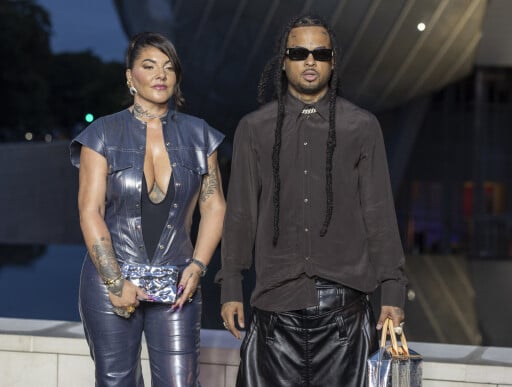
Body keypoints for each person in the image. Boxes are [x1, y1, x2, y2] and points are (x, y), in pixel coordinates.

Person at [216, 15, 407, 387]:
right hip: (275, 311)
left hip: (345, 317)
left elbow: (379, 214)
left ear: (332, 62)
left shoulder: (362, 126)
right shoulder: (254, 128)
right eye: (299, 52)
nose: (309, 61)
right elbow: (241, 215)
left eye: (320, 53)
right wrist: (230, 288)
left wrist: (393, 291)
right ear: (283, 61)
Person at [69, 32, 226, 386]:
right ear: (130, 76)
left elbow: (214, 206)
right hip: (112, 278)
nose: (160, 75)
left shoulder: (200, 136)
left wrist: (198, 267)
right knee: (116, 381)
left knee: (180, 382)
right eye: (149, 66)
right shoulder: (102, 135)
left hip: (178, 282)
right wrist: (114, 280)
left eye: (169, 68)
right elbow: (89, 212)